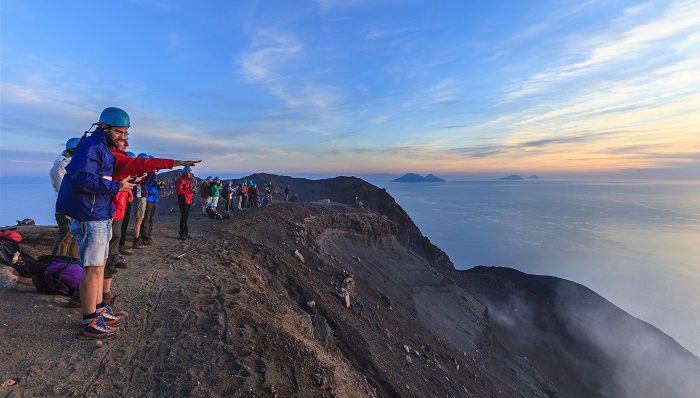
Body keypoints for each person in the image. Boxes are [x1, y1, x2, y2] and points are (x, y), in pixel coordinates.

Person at [56, 107, 135, 340]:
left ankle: (99, 310)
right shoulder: (92, 146)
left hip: (98, 212)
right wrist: (116, 187)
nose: (123, 136)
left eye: (125, 132)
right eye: (119, 131)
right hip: (89, 215)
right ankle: (89, 321)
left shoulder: (101, 147)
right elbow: (81, 178)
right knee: (92, 268)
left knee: (99, 265)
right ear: (104, 127)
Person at [49, 137, 80, 258]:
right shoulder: (60, 166)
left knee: (74, 238)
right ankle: (57, 265)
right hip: (65, 207)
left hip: (75, 206)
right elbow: (63, 188)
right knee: (65, 238)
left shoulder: (71, 164)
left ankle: (74, 265)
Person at [140, 178, 165, 245]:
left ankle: (148, 234)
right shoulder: (149, 177)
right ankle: (144, 236)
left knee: (150, 218)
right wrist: (154, 184)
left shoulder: (155, 177)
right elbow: (145, 186)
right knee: (146, 218)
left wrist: (159, 187)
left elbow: (154, 189)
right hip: (148, 199)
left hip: (154, 200)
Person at [176, 166, 195, 240]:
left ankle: (185, 233)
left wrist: (192, 190)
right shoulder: (180, 180)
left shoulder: (187, 181)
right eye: (189, 173)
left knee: (186, 217)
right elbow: (179, 191)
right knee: (184, 217)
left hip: (188, 201)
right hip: (183, 201)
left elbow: (189, 189)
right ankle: (182, 234)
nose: (191, 174)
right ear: (185, 173)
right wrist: (189, 191)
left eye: (191, 173)